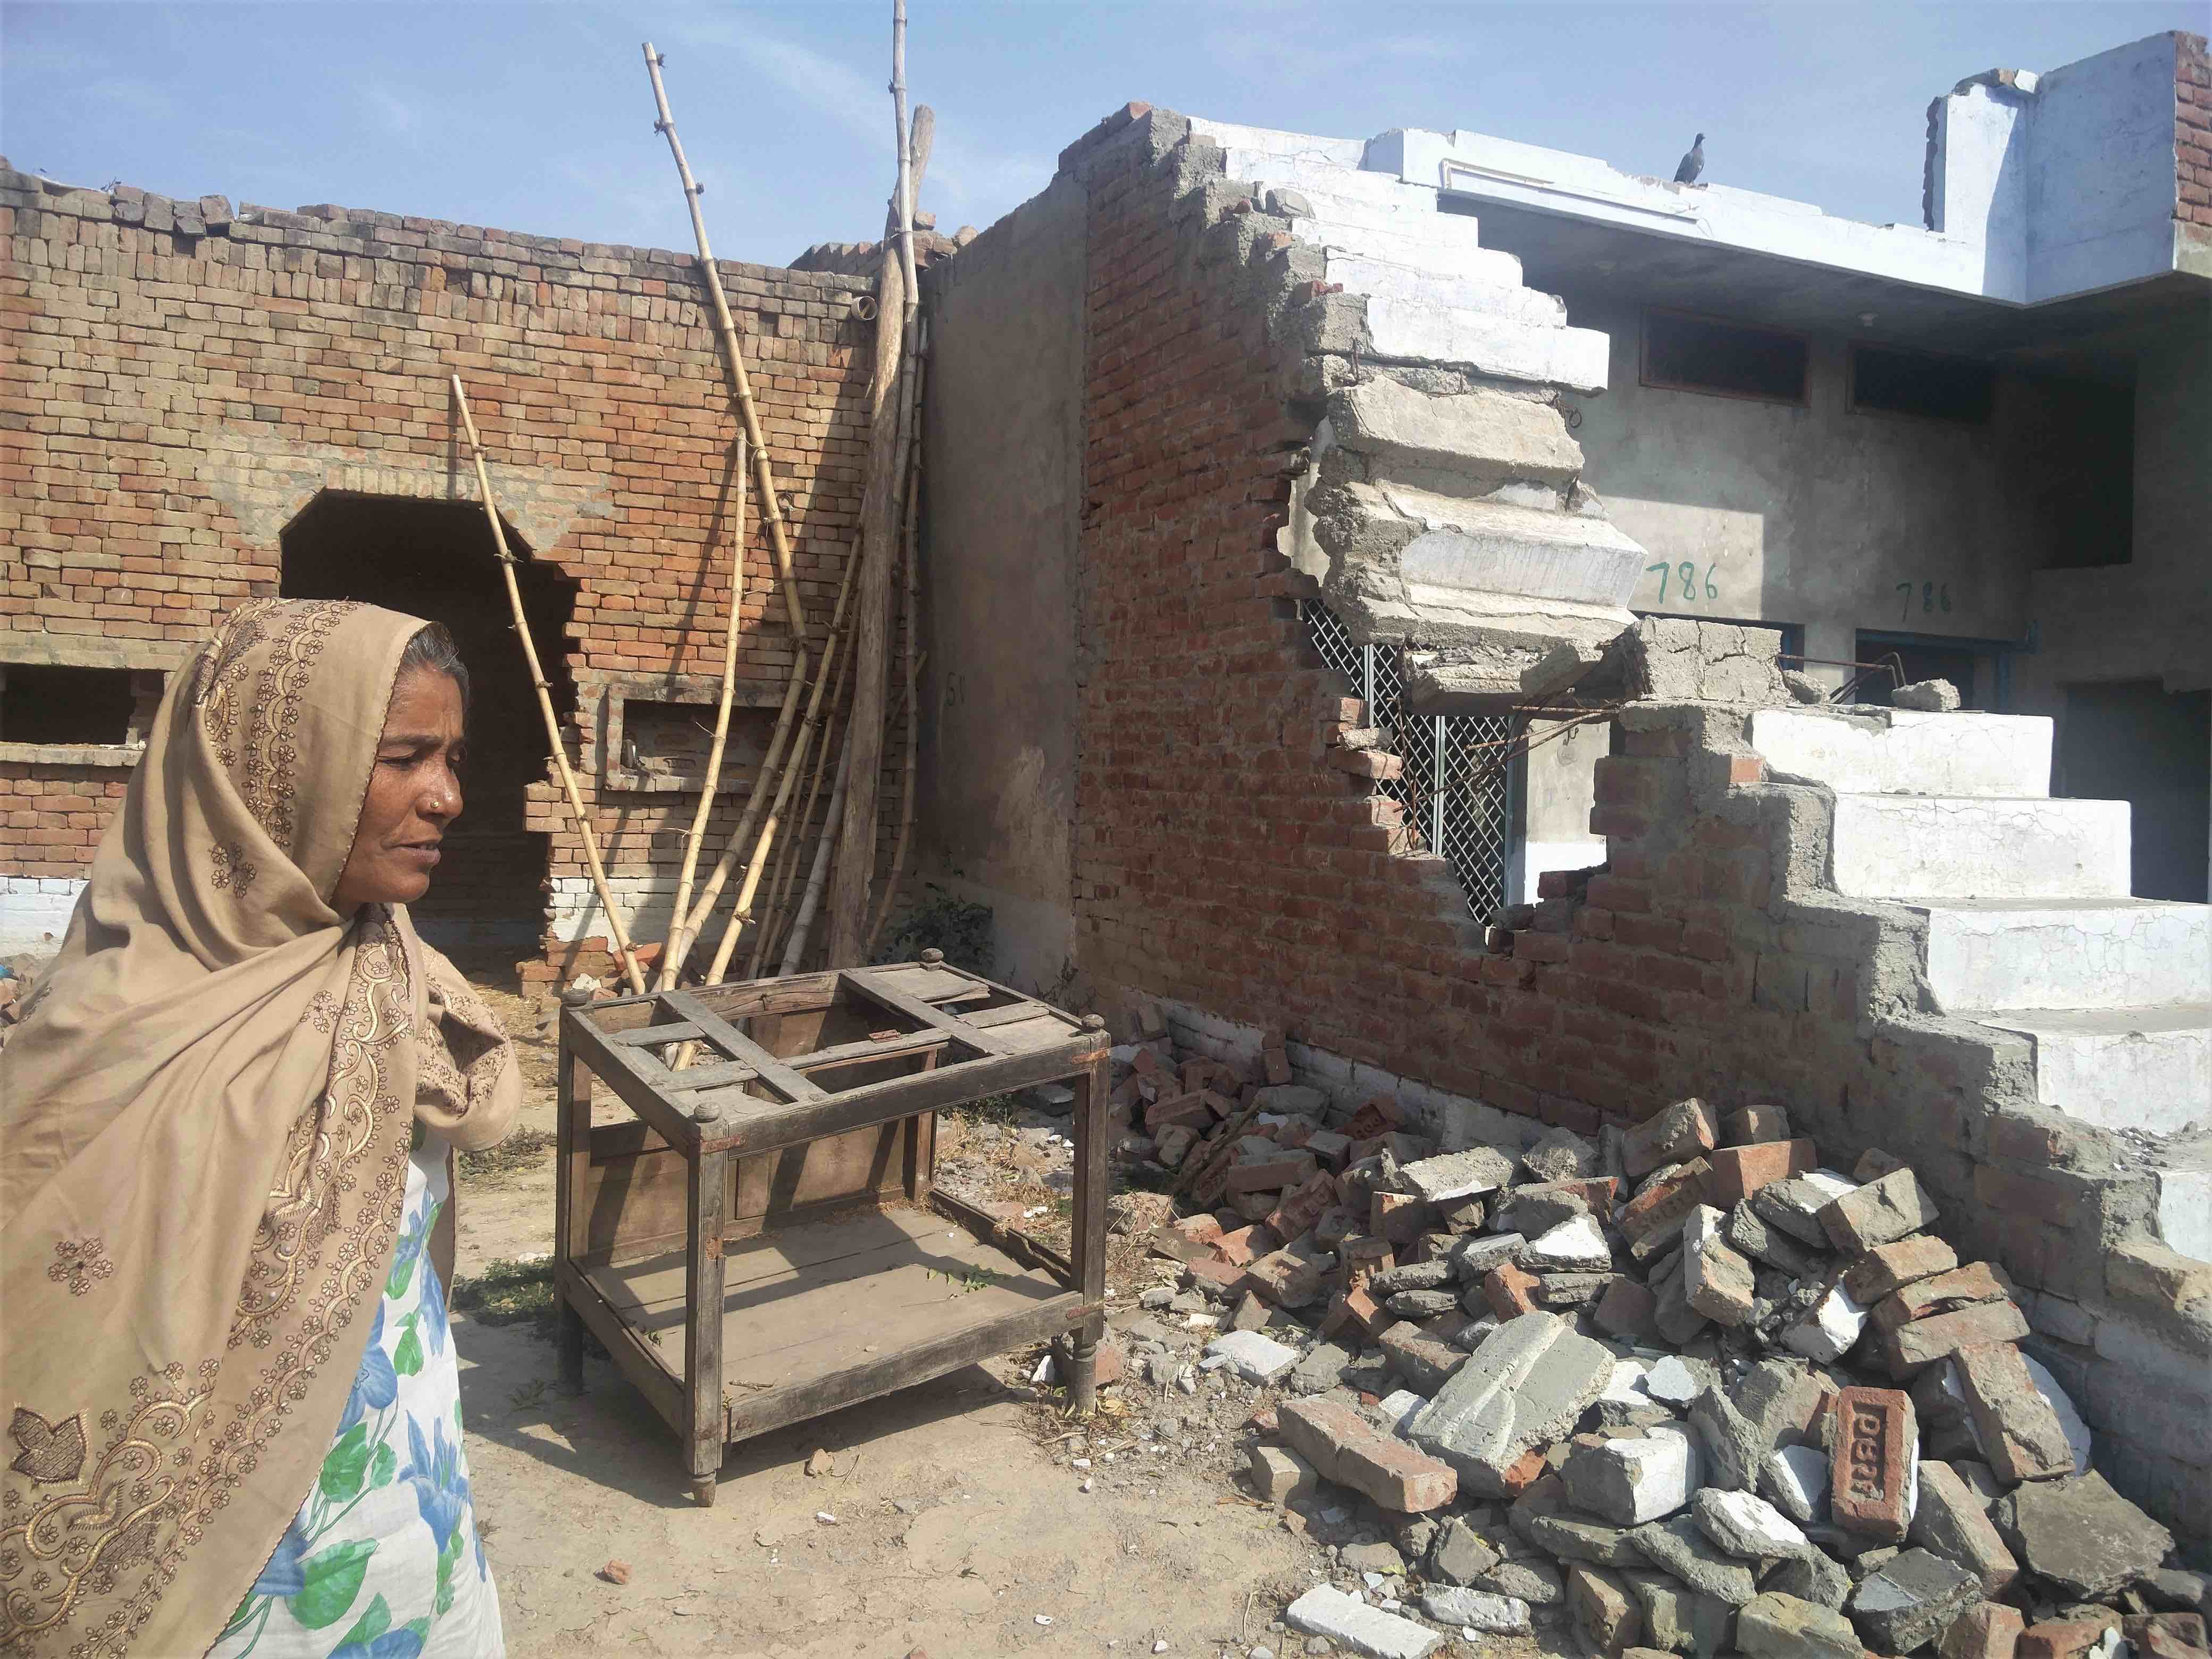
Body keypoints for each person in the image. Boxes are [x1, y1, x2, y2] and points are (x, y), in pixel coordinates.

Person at [1, 599, 520, 1656]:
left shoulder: (402, 981)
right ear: (265, 774)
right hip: (218, 1610)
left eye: (452, 756)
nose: (447, 796)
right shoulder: (95, 1044)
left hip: (412, 1559)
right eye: (406, 756)